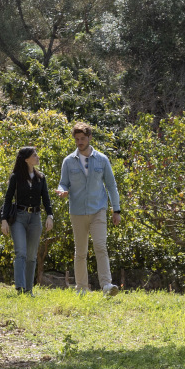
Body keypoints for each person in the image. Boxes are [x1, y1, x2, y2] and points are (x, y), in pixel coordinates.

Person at [55, 121, 122, 295]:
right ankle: (82, 288)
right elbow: (63, 183)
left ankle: (107, 285)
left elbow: (111, 185)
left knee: (100, 246)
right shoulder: (68, 161)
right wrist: (62, 191)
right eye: (77, 139)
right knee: (81, 251)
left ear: (90, 137)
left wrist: (117, 210)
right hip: (77, 211)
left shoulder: (102, 159)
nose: (80, 142)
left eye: (83, 138)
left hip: (98, 209)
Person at [0, 146, 54, 293]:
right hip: (19, 217)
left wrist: (50, 215)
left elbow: (46, 199)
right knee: (21, 252)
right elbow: (8, 198)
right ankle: (20, 287)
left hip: (35, 218)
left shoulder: (41, 177)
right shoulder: (15, 177)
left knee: (31, 256)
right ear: (26, 159)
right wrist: (4, 220)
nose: (37, 157)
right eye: (34, 155)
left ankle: (28, 290)